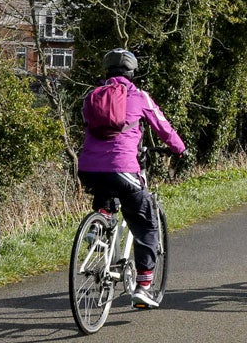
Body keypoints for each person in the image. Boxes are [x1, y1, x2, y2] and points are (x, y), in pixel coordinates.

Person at [77, 48, 187, 309]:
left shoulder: (91, 96)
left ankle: (98, 226)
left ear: (107, 71)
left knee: (105, 190)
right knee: (147, 225)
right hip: (124, 169)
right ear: (132, 71)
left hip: (88, 167)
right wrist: (179, 149)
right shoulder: (139, 96)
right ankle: (143, 287)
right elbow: (163, 127)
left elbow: (87, 122)